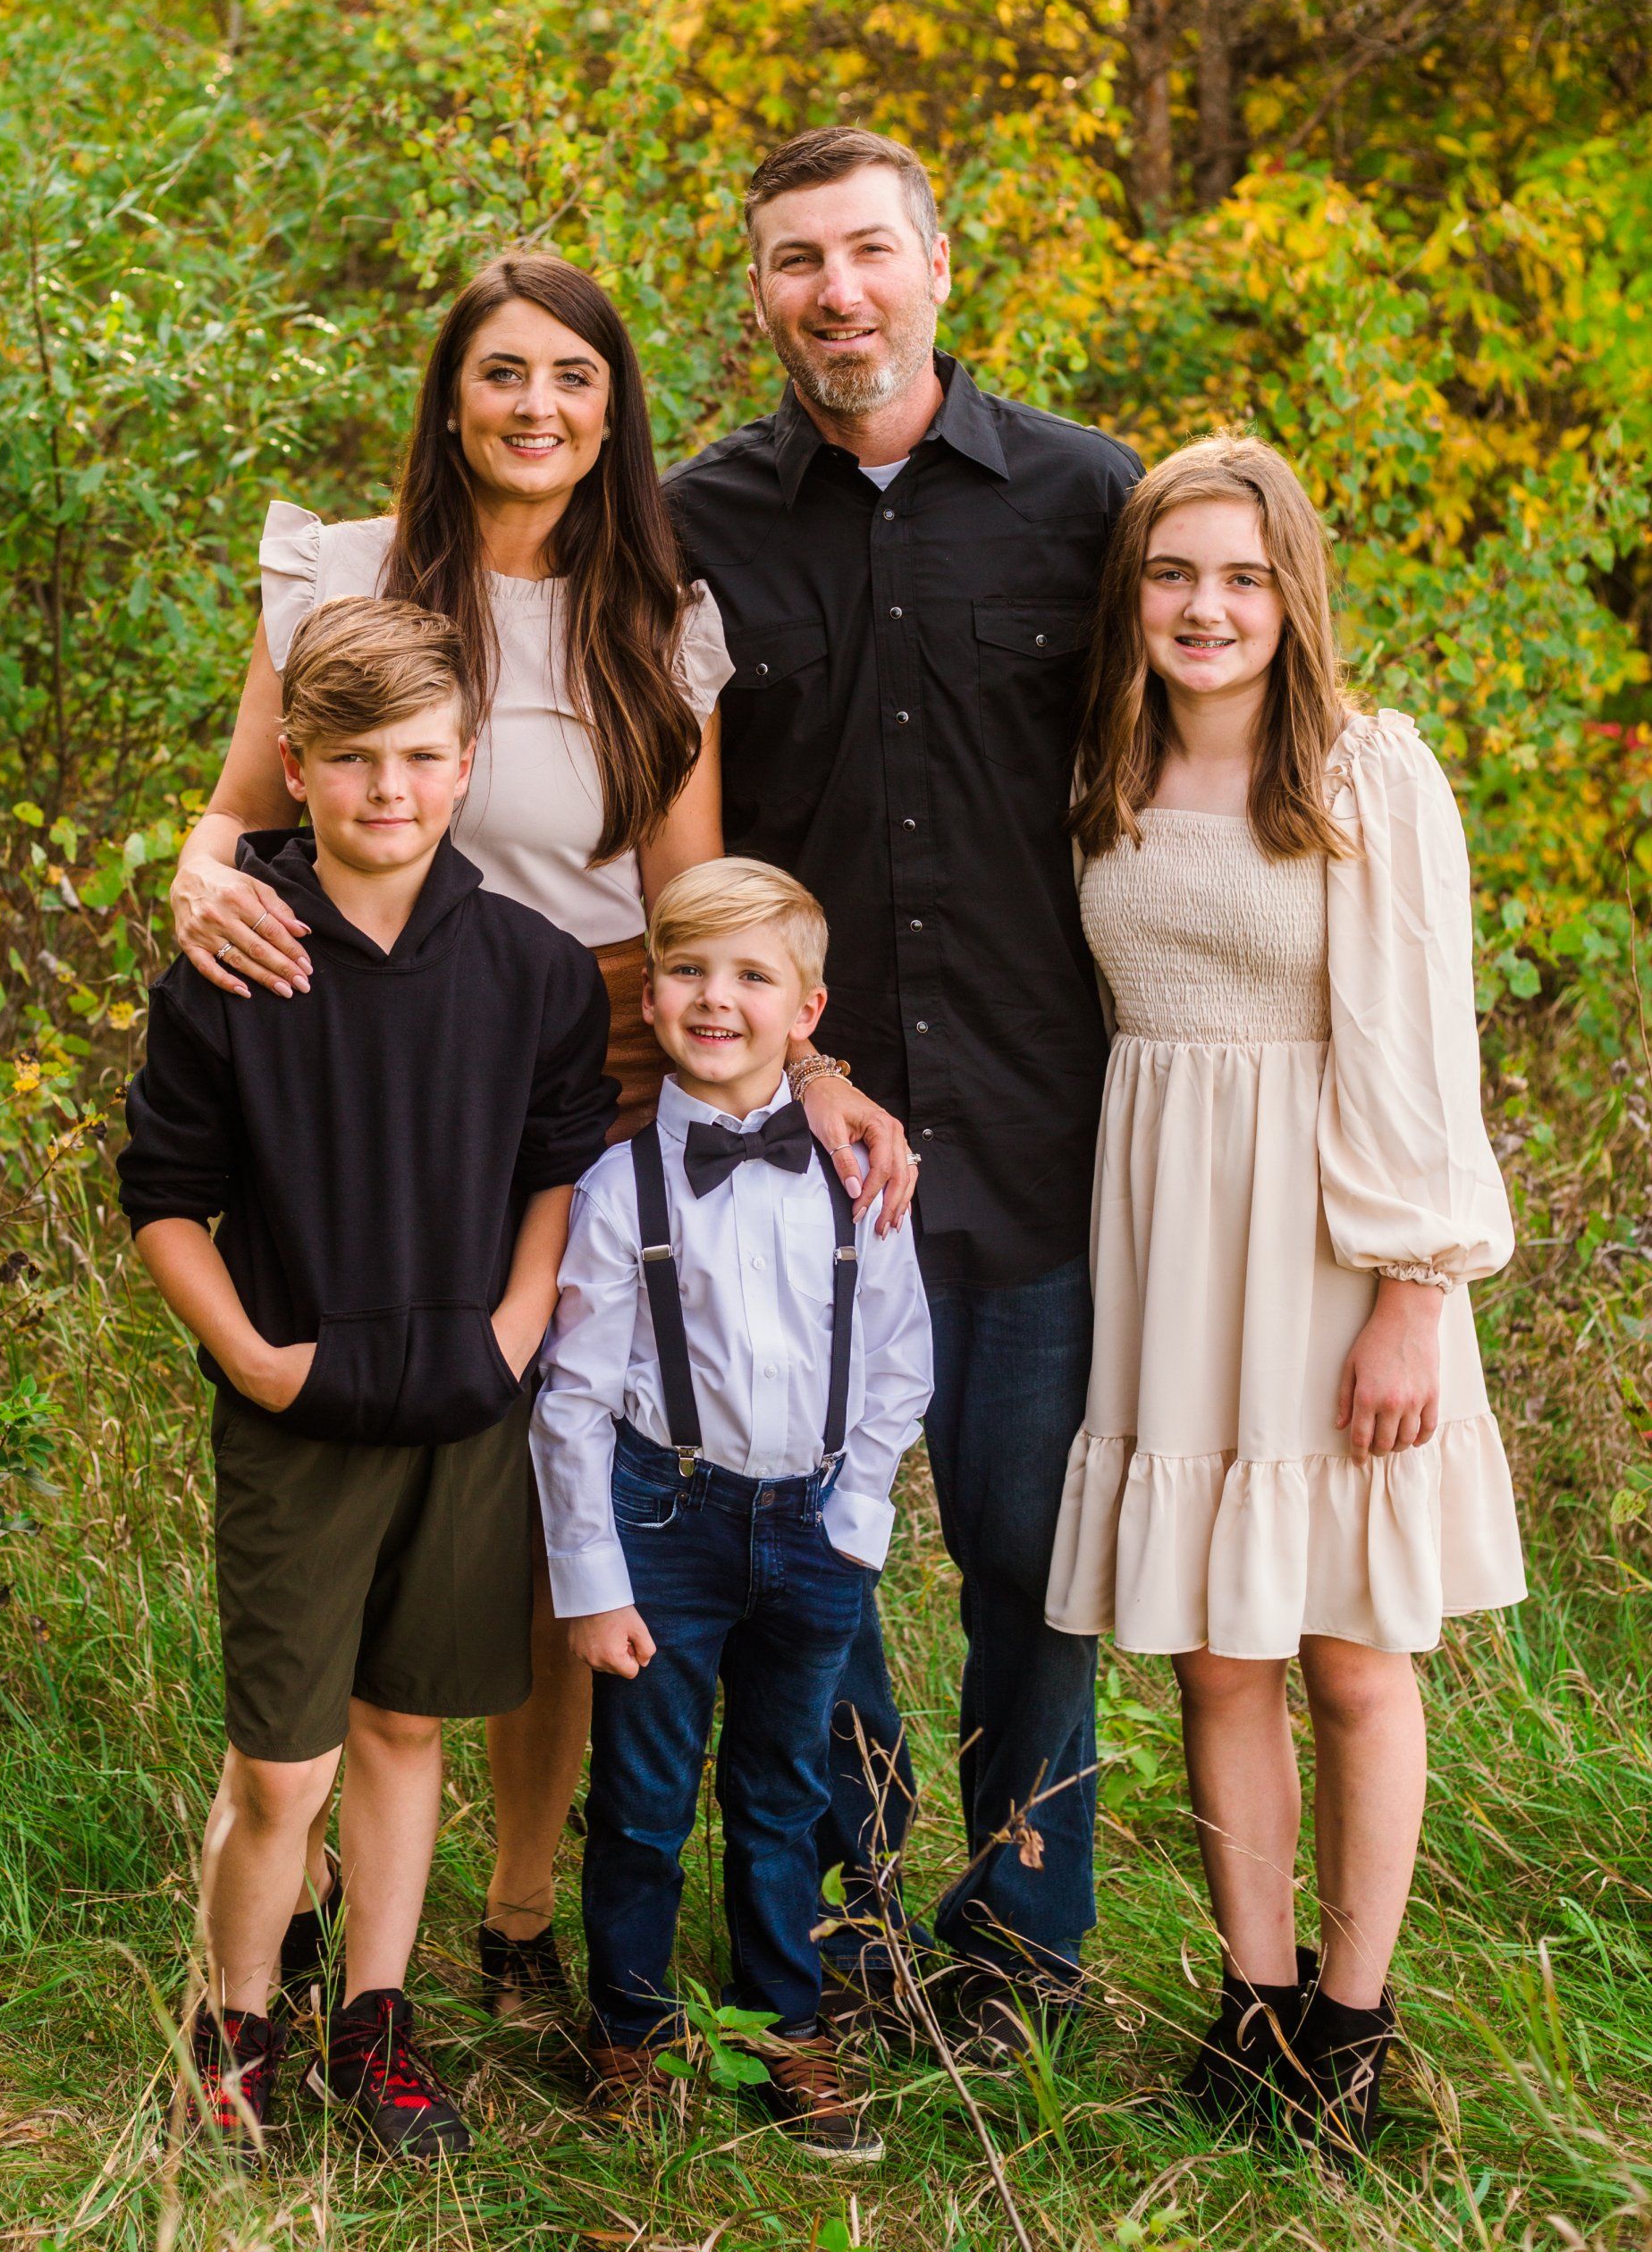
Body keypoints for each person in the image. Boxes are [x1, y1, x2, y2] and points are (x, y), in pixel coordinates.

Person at [166, 252, 914, 2028]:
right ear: (450, 396)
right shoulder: (342, 577)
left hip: (584, 1078)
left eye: (573, 379)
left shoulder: (653, 617)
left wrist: (796, 1062)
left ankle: (514, 1918)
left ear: (612, 408)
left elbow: (692, 896)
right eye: (502, 373)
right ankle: (293, 1893)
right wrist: (200, 866)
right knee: (351, 1459)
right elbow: (237, 812)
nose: (535, 407)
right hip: (349, 1086)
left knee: (548, 1502)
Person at [662, 127, 1140, 2043]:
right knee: (811, 1571)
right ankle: (840, 1942)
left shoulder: (1089, 501)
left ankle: (1019, 1949)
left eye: (869, 251)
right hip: (799, 1158)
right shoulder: (694, 524)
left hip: (1035, 1139)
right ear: (761, 289)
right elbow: (668, 830)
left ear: (939, 264)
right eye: (797, 261)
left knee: (1031, 1562)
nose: (836, 293)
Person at [1044, 438, 1526, 2157]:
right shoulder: (1104, 759)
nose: (1206, 606)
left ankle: (1354, 2017)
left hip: (1334, 1239)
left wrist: (1412, 1289)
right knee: (1220, 1651)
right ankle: (1250, 2003)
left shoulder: (1364, 771)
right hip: (1172, 1237)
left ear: (1294, 592)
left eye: (1243, 576)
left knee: (1351, 1653)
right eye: (1175, 573)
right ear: (1137, 591)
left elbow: (1419, 1038)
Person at [118, 595, 618, 2160]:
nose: (385, 789)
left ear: (466, 766)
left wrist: (519, 1326)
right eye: (350, 760)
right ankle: (238, 2019)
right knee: (287, 1763)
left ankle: (376, 2023)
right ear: (296, 765)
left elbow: (560, 1163)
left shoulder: (534, 968)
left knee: (409, 1731)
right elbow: (160, 1192)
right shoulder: (239, 957)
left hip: (468, 1403)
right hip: (303, 1414)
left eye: (416, 756)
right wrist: (255, 1358)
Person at [532, 859, 933, 2159]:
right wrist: (589, 1582)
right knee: (644, 1798)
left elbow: (897, 1358)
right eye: (692, 974)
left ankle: (786, 2029)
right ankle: (634, 2035)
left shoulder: (856, 1182)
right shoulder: (612, 1194)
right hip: (663, 1522)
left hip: (815, 1526)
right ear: (650, 1000)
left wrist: (858, 1510)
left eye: (753, 977)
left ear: (807, 1011)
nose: (720, 999)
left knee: (784, 1789)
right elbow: (574, 1402)